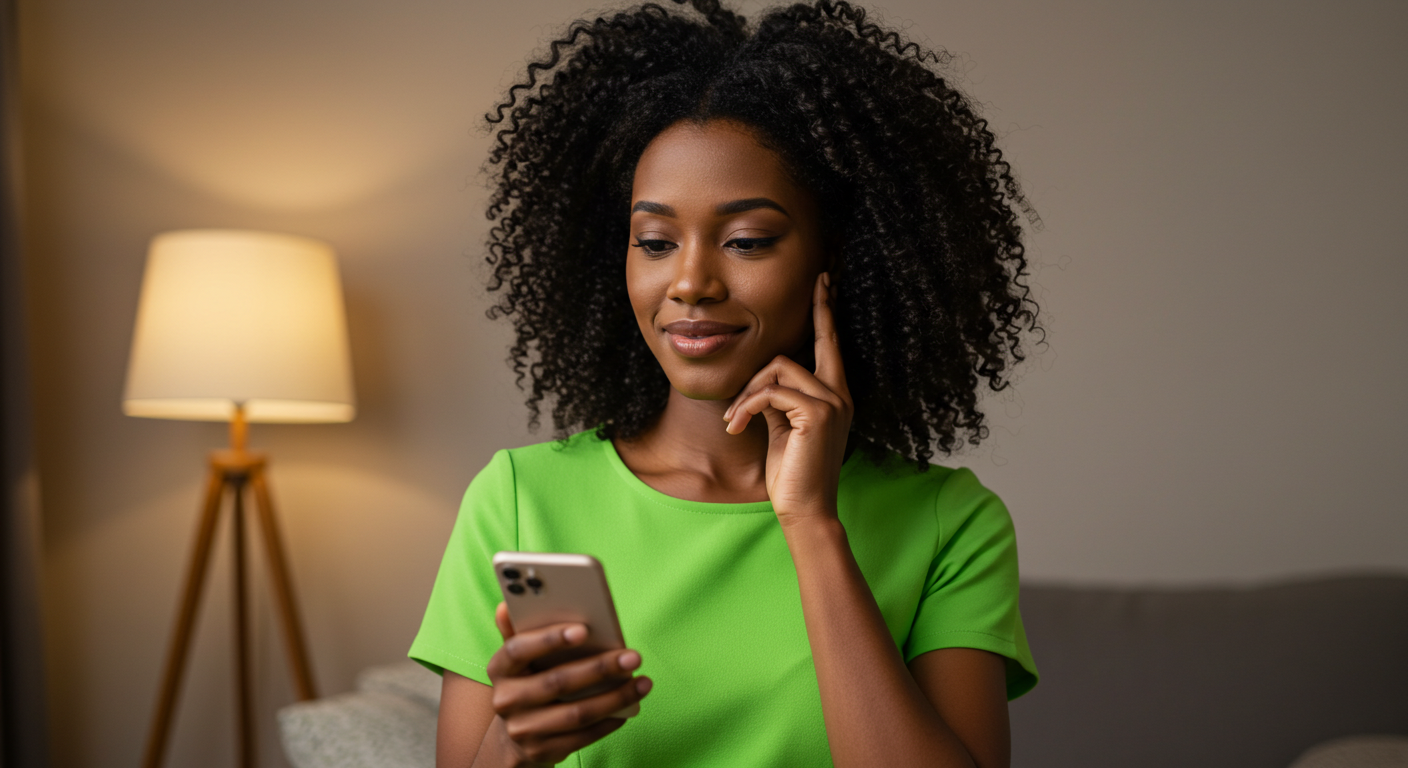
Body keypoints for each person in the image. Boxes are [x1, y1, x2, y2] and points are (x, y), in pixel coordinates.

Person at [410, 0, 1044, 765]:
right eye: (654, 240)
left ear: (838, 260)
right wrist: (517, 745)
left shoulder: (950, 523)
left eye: (746, 240)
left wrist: (812, 526)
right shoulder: (518, 499)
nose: (690, 282)